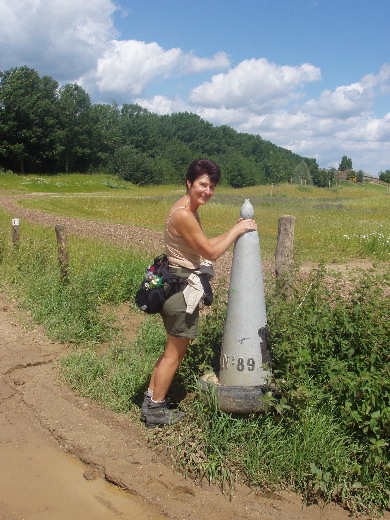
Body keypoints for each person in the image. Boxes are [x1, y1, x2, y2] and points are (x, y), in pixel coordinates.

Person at [142, 158, 257, 428]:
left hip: (176, 286)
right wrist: (238, 228)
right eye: (202, 184)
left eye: (212, 186)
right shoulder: (183, 213)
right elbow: (212, 253)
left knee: (170, 350)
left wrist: (235, 230)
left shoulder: (189, 210)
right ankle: (156, 411)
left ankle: (150, 399)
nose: (207, 191)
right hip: (182, 292)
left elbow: (204, 246)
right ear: (189, 183)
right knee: (175, 354)